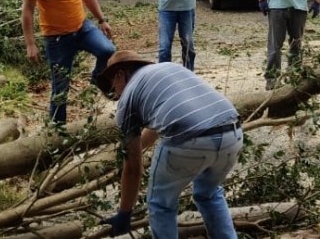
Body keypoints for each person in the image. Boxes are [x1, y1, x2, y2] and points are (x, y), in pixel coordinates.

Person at [98, 50, 242, 239]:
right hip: (232, 132)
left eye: (113, 87)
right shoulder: (169, 69)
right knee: (208, 193)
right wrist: (132, 148)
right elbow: (164, 122)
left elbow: (133, 169)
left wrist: (124, 214)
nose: (115, 93)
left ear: (119, 75)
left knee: (160, 204)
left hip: (189, 140)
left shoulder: (126, 101)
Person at [22, 0, 116, 124]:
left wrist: (102, 19)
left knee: (108, 50)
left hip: (82, 27)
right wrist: (30, 44)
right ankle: (58, 131)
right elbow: (28, 10)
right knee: (60, 88)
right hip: (56, 38)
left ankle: (96, 82)